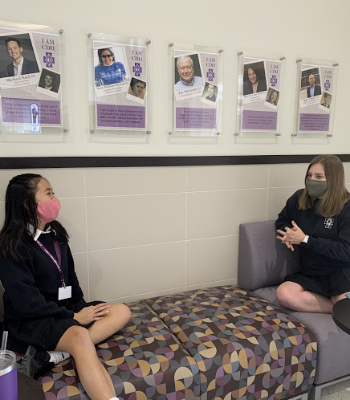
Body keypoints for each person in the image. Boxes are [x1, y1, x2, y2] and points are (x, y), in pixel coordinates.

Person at [0, 174, 131, 400]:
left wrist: (81, 310)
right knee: (80, 336)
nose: (55, 198)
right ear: (27, 203)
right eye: (48, 193)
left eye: (53, 192)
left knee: (121, 311)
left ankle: (53, 355)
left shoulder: (56, 234)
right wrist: (73, 317)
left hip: (63, 313)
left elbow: (70, 280)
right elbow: (27, 303)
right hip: (31, 321)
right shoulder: (10, 245)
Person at [276, 155, 350, 313]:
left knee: (344, 307)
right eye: (309, 175)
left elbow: (346, 251)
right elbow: (282, 220)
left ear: (333, 179)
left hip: (341, 272)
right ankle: (335, 309)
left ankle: (341, 308)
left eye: (319, 176)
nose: (312, 180)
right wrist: (289, 233)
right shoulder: (299, 198)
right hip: (311, 271)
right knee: (284, 294)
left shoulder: (347, 207)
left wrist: (305, 240)